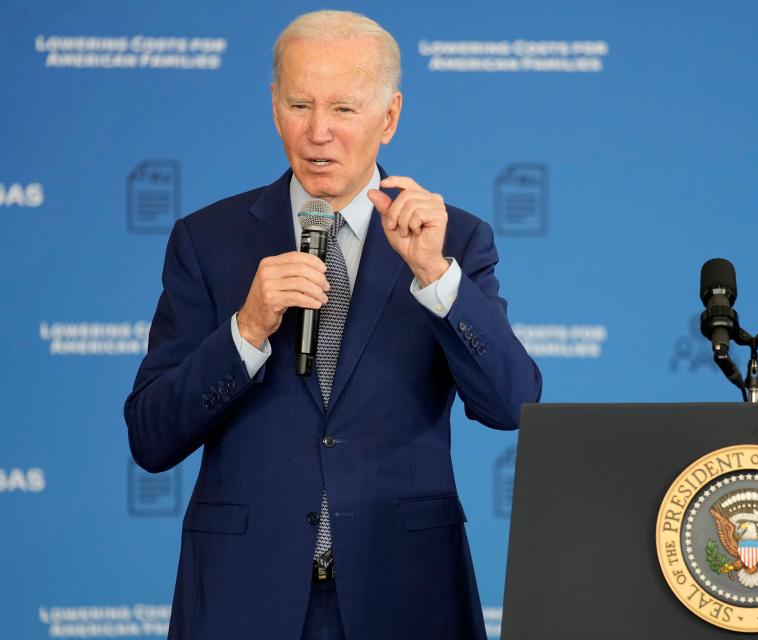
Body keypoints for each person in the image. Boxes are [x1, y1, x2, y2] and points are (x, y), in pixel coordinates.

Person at [124, 10, 542, 640]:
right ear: (274, 106)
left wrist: (437, 278)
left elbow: (514, 404)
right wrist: (246, 331)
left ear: (390, 117)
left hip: (406, 596)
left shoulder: (449, 239)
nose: (318, 132)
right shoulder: (207, 242)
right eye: (300, 105)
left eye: (344, 109)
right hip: (245, 597)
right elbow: (150, 437)